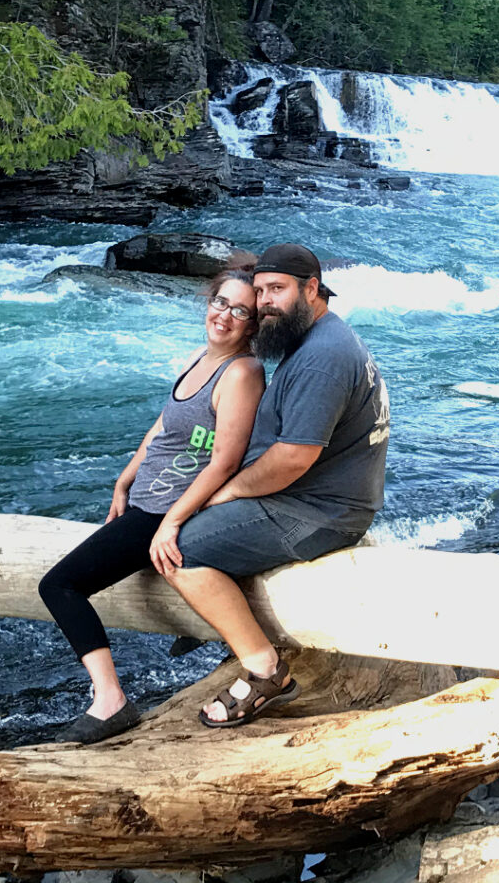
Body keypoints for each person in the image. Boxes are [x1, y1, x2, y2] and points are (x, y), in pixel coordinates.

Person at [157, 243, 390, 728]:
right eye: (260, 291)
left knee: (178, 548)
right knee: (188, 520)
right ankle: (219, 624)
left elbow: (292, 457)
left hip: (317, 511)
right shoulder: (322, 336)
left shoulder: (322, 358)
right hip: (320, 495)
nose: (264, 302)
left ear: (311, 288)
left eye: (277, 290)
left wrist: (231, 492)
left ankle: (266, 672)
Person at [39, 269, 265, 744]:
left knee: (59, 585)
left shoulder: (242, 373)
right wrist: (125, 478)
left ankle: (110, 701)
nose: (224, 315)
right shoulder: (199, 357)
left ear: (252, 324)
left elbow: (224, 461)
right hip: (146, 501)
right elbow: (164, 426)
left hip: (166, 512)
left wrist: (174, 523)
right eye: (220, 302)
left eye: (239, 310)